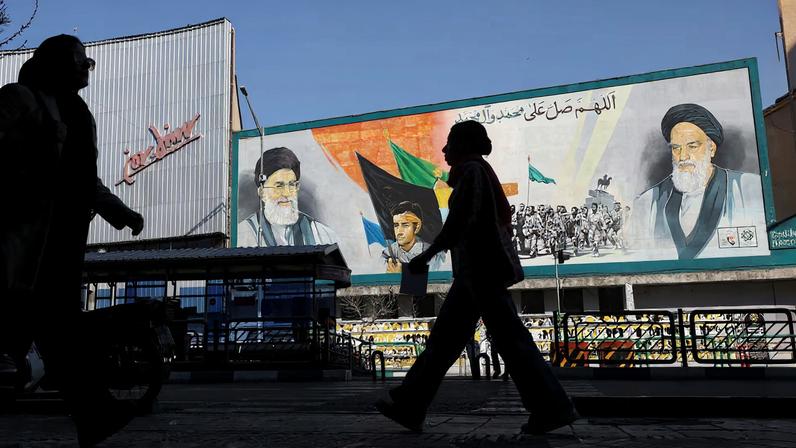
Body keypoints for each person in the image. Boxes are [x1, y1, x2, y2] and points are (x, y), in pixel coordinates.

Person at [374, 120, 575, 435]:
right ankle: (411, 404)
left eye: (450, 142)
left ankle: (552, 407)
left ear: (464, 145)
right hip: (474, 274)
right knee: (448, 341)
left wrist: (426, 255)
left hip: (481, 272)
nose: (444, 150)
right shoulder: (476, 172)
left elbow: (460, 222)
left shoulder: (472, 172)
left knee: (505, 341)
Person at [0, 34, 145, 446]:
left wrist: (119, 212)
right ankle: (94, 411)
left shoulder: (78, 114)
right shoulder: (21, 99)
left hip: (61, 244)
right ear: (57, 64)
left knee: (53, 330)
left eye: (88, 61)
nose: (87, 67)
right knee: (49, 328)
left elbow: (83, 180)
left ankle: (94, 413)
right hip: (24, 239)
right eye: (81, 60)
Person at [630, 103, 764, 259]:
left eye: (692, 146)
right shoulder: (647, 202)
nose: (683, 156)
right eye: (676, 148)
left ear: (711, 148)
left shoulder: (748, 189)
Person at [238, 146, 337, 247]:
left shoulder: (322, 234)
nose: (287, 193)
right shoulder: (243, 233)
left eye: (291, 185)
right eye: (279, 186)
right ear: (262, 192)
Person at [382, 201, 445, 273]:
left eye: (405, 225)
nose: (399, 231)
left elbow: (433, 278)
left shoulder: (433, 255)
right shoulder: (387, 253)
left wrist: (400, 274)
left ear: (417, 227)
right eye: (396, 225)